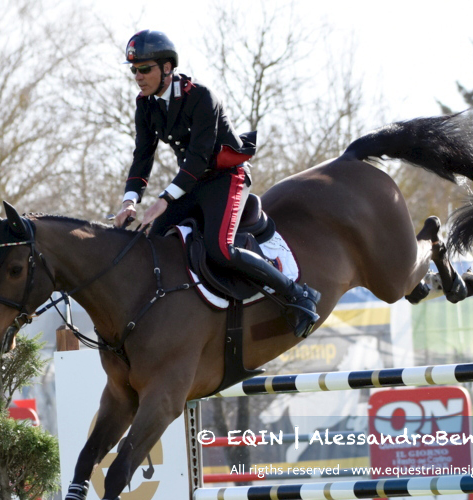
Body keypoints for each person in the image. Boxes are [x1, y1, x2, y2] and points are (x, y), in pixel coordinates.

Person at [113, 30, 320, 339]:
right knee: (152, 243)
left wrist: (164, 199)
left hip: (227, 178)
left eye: (144, 68)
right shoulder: (145, 104)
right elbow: (143, 155)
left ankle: (297, 293)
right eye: (134, 70)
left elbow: (198, 157)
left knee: (220, 249)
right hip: (193, 183)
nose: (138, 77)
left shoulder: (201, 96)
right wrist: (130, 201)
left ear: (167, 67)